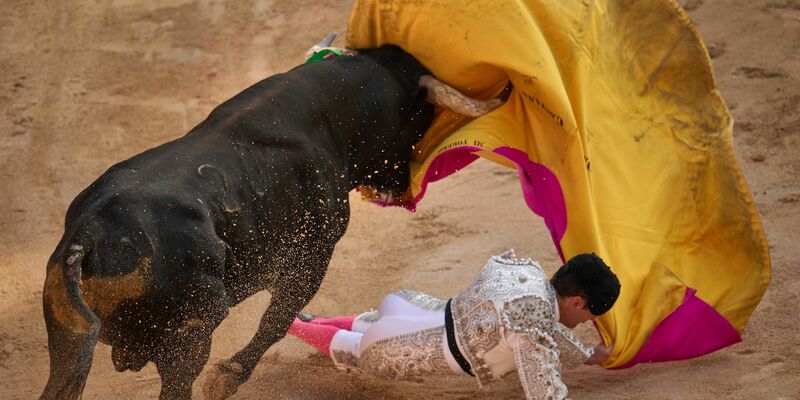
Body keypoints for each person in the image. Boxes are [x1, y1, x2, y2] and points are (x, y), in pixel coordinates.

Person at [288, 250, 621, 400]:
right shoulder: (532, 325)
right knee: (355, 348)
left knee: (366, 326)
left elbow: (544, 334)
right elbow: (545, 389)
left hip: (416, 306)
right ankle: (286, 324)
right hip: (403, 349)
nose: (588, 321)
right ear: (577, 302)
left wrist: (590, 354)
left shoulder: (525, 273)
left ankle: (308, 319)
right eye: (591, 313)